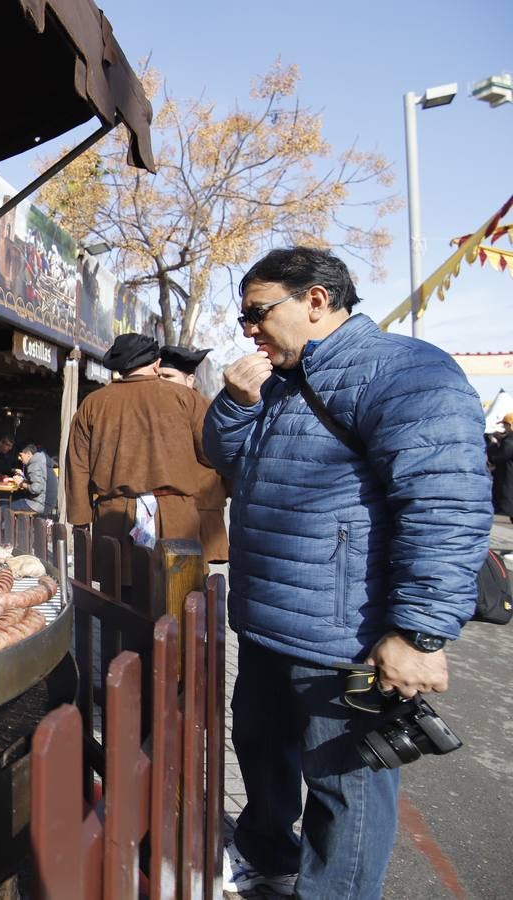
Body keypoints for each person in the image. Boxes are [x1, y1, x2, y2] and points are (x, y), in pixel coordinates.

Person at [203, 247, 490, 898]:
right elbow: (222, 457)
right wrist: (234, 401)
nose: (246, 327)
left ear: (316, 301)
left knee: (348, 792)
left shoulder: (406, 372)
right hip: (269, 619)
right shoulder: (273, 381)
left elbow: (447, 506)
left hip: (348, 642)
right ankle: (265, 856)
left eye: (256, 311)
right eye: (242, 314)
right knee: (262, 752)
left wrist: (419, 633)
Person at [64, 333, 214, 577]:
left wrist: (80, 523)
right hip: (177, 522)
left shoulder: (92, 404)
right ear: (157, 363)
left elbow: (77, 467)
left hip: (113, 521)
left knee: (119, 603)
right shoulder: (187, 398)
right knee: (178, 601)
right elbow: (212, 455)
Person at [158, 344, 230, 563]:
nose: (161, 381)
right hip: (174, 511)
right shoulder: (159, 406)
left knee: (198, 585)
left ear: (189, 380)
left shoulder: (204, 408)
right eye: (159, 375)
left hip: (201, 508)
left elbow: (213, 454)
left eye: (168, 376)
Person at [9, 442, 57, 515]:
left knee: (5, 509)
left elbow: (35, 489)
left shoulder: (35, 464)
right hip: (48, 503)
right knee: (16, 500)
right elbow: (39, 483)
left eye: (20, 455)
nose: (19, 458)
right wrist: (23, 479)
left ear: (28, 454)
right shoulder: (41, 461)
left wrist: (21, 483)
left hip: (40, 504)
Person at [486, 412, 513, 517]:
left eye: (505, 425)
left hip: (507, 481)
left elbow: (496, 457)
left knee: (504, 511)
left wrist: (493, 444)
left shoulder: (509, 442)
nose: (504, 428)